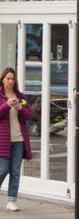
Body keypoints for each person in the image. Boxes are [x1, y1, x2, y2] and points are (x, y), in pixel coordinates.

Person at [0, 67, 34, 210]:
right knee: (2, 170)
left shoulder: (20, 96)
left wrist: (20, 108)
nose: (10, 81)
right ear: (2, 79)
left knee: (15, 171)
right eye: (8, 78)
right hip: (3, 140)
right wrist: (7, 105)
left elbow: (30, 116)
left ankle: (11, 201)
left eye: (13, 79)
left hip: (19, 140)